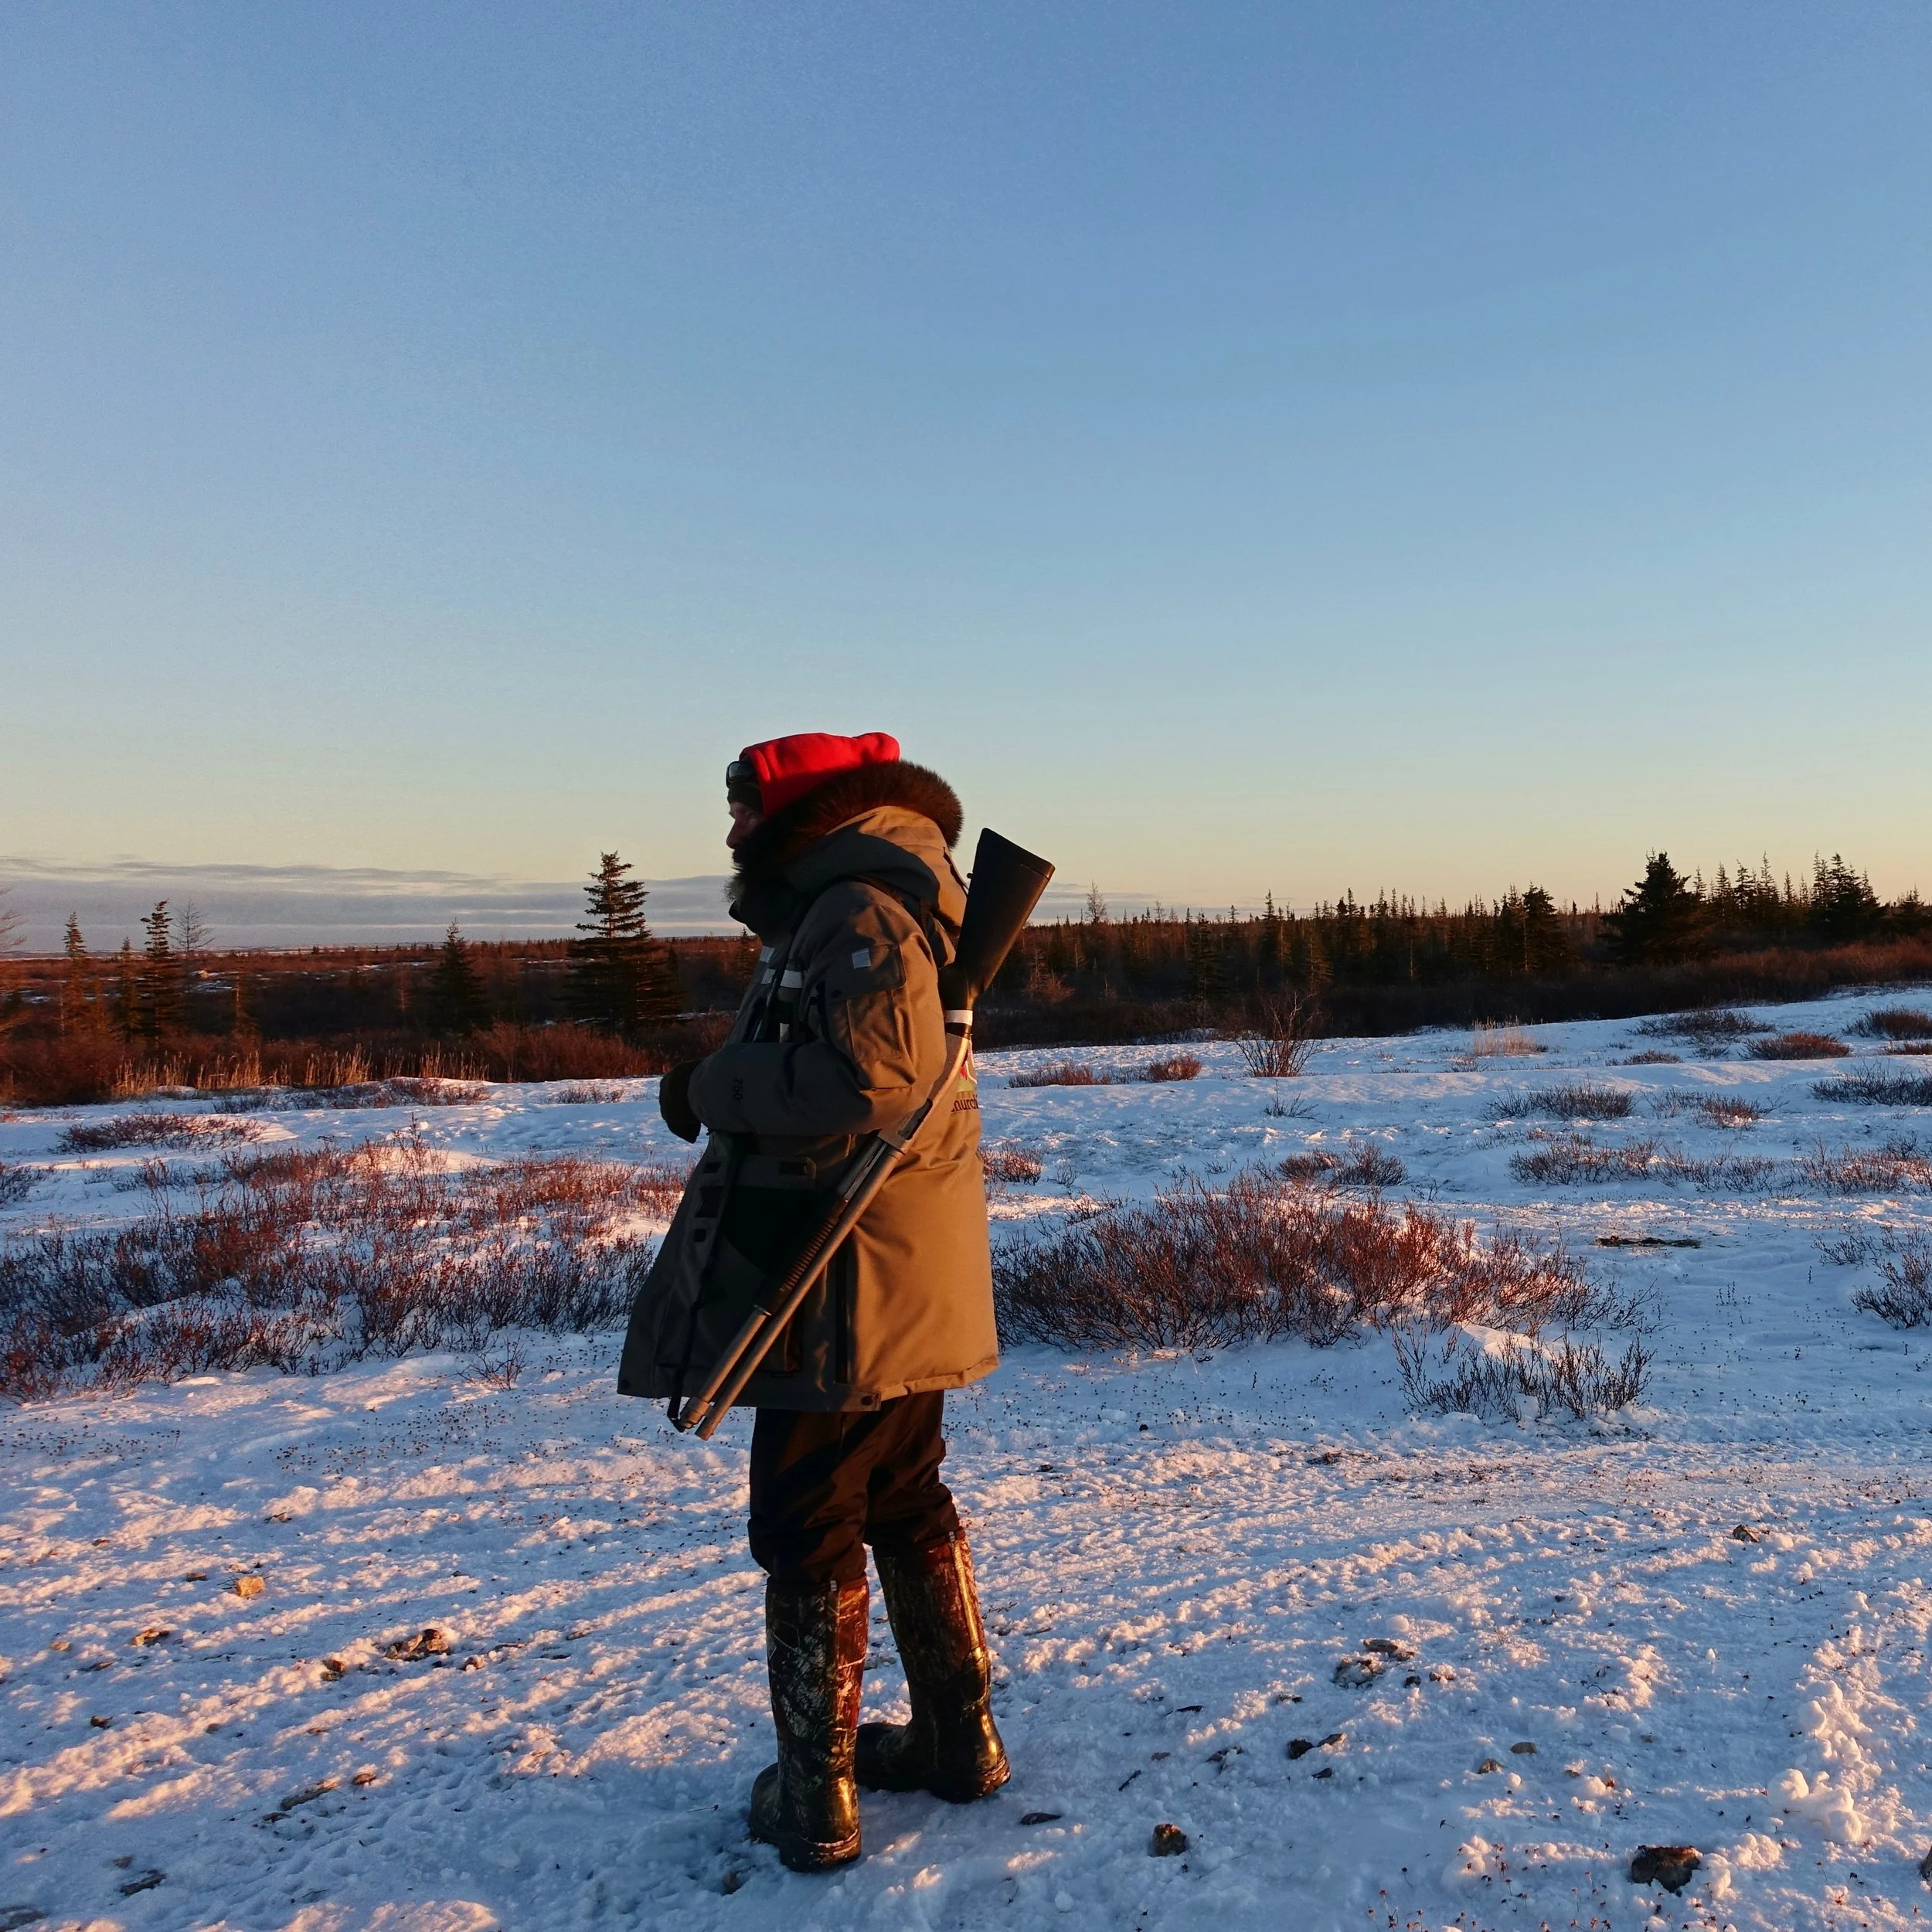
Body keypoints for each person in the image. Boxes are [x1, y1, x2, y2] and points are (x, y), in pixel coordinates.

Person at [617, 730, 1010, 1872]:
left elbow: (870, 1084)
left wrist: (708, 1083)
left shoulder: (860, 912)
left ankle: (817, 1793)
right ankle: (954, 1738)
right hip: (881, 1270)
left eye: (744, 811)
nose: (732, 831)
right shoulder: (869, 899)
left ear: (805, 811)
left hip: (842, 1278)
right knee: (900, 1498)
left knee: (806, 1523)